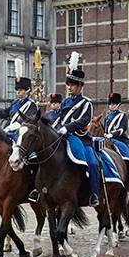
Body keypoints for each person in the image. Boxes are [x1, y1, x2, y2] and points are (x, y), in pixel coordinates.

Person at [52, 53, 100, 207]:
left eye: (72, 85)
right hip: (63, 137)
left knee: (93, 163)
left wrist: (67, 128)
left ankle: (93, 194)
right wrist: (54, 128)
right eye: (68, 84)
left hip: (81, 139)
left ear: (80, 87)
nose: (69, 87)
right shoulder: (65, 102)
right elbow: (59, 118)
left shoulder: (86, 103)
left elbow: (84, 121)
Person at [104, 92, 129, 189]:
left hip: (121, 140)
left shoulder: (122, 115)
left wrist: (111, 135)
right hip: (108, 140)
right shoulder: (107, 117)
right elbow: (105, 129)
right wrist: (105, 135)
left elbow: (121, 129)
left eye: (114, 104)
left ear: (118, 104)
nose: (112, 106)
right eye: (110, 104)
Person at [2, 70, 38, 139]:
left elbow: (25, 120)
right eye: (17, 90)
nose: (18, 92)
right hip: (10, 131)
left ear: (27, 91)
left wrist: (9, 128)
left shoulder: (31, 105)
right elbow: (4, 113)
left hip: (22, 134)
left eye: (20, 90)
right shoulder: (15, 103)